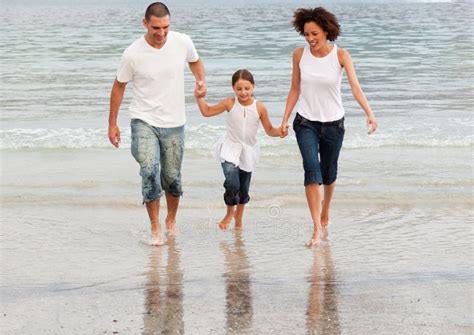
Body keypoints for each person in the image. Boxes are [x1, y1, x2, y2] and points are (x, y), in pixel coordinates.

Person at [108, 2, 207, 245]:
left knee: (172, 177)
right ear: (145, 24)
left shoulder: (182, 42)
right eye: (156, 28)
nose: (161, 33)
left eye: (165, 27)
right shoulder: (132, 53)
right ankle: (155, 227)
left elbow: (195, 61)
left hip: (174, 122)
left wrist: (200, 80)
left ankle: (171, 220)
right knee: (150, 170)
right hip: (144, 120)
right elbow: (119, 86)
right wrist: (112, 123)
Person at [281, 7, 378, 247]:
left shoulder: (341, 55)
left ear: (326, 30)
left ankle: (326, 211)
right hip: (305, 122)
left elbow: (355, 87)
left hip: (334, 123)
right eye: (306, 34)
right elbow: (295, 89)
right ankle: (316, 228)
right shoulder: (298, 55)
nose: (310, 39)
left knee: (329, 173)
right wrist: (284, 119)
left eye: (314, 33)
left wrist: (370, 113)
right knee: (311, 172)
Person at [195, 69, 285, 231]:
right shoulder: (229, 103)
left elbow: (270, 129)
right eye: (239, 89)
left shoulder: (260, 108)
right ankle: (230, 213)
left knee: (243, 189)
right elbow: (206, 112)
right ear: (233, 88)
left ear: (253, 87)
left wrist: (280, 132)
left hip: (248, 151)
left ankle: (239, 221)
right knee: (232, 182)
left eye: (247, 88)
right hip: (230, 148)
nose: (243, 92)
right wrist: (199, 98)